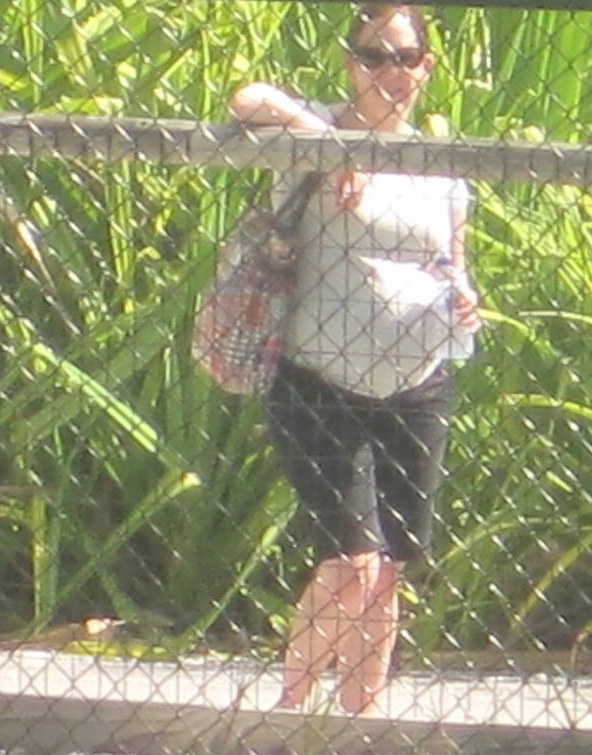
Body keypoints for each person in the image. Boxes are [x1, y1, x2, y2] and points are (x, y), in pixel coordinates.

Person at [230, 4, 480, 715]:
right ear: (351, 63)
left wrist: (465, 297)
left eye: (404, 58)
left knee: (390, 569)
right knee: (350, 565)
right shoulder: (317, 131)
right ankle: (291, 709)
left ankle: (360, 718)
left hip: (417, 380)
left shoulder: (442, 167)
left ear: (425, 69)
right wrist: (333, 148)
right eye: (374, 56)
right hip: (319, 377)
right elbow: (246, 97)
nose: (389, 72)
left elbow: (453, 265)